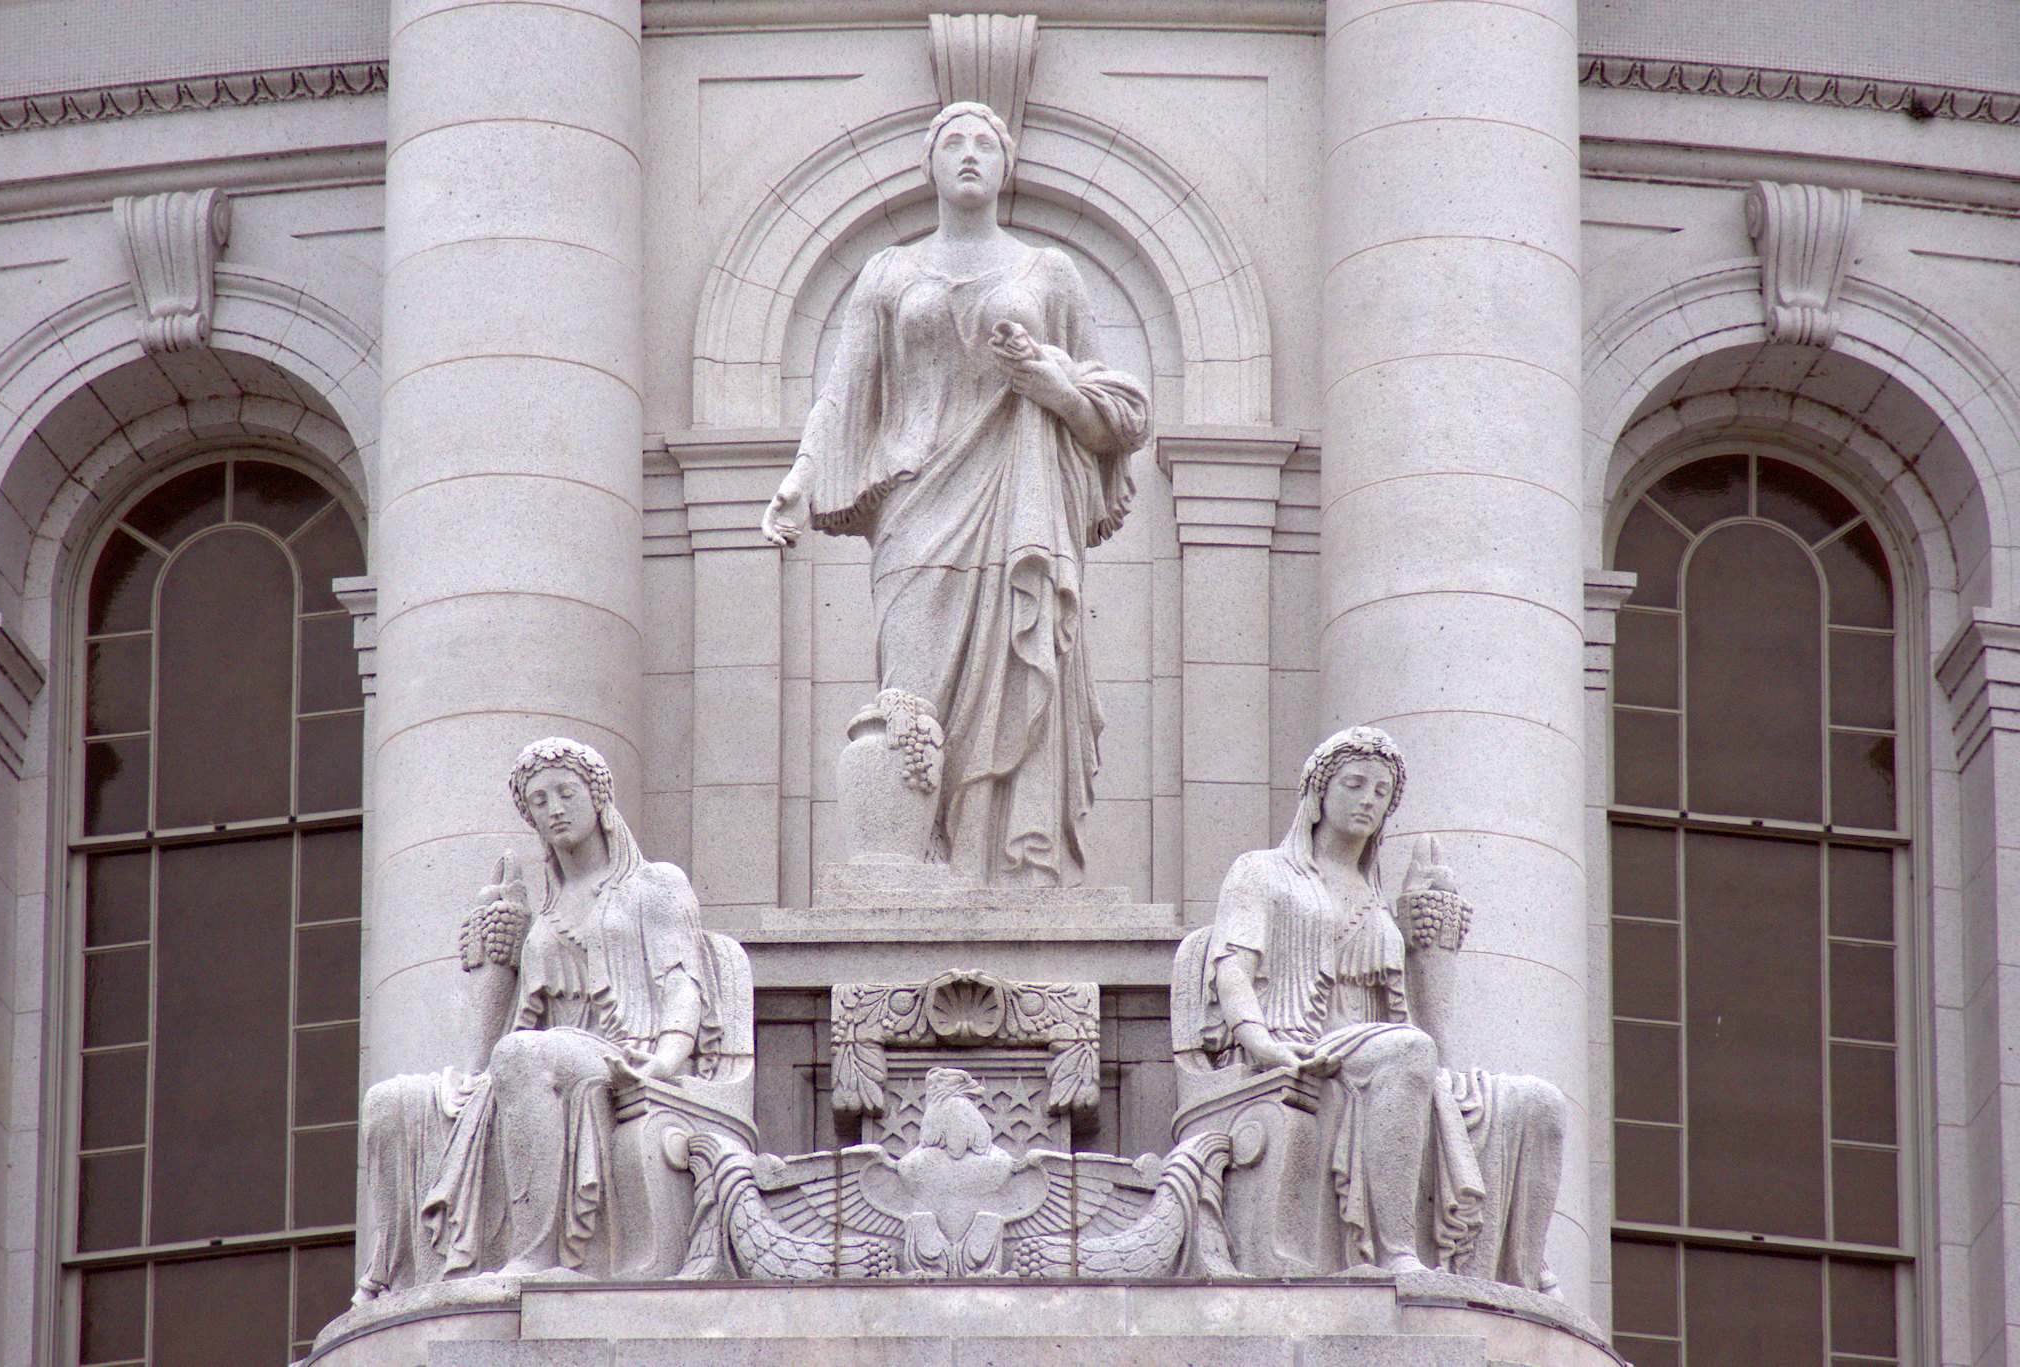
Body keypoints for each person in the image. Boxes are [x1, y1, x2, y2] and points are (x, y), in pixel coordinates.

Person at [761, 101, 1152, 887]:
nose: (971, 154)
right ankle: (907, 862)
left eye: (985, 143)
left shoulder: (1050, 272)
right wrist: (801, 481)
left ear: (1007, 167)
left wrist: (1049, 380)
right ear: (929, 166)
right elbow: (843, 396)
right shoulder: (888, 273)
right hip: (916, 504)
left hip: (1022, 504)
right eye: (954, 143)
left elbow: (1121, 415)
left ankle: (1009, 867)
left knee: (1018, 658)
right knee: (909, 687)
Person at [355, 738, 747, 1298]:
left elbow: (683, 984)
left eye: (567, 792)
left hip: (621, 1051)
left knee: (522, 1056)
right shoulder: (544, 911)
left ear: (599, 799)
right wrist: (496, 955)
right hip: (534, 1061)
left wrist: (663, 1060)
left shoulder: (653, 885)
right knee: (392, 1103)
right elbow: (495, 1039)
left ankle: (536, 1254)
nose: (555, 807)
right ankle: (388, 1279)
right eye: (539, 801)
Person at [1197, 725, 1453, 1274]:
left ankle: (1528, 1275)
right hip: (1302, 1047)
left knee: (1533, 1104)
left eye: (1382, 793)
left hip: (1383, 1049)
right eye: (1354, 784)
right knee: (1407, 1051)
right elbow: (1231, 970)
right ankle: (1396, 1252)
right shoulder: (1262, 872)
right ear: (1317, 793)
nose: (1368, 801)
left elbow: (1421, 1026)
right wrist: (1261, 1043)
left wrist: (1429, 941)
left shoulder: (1381, 902)